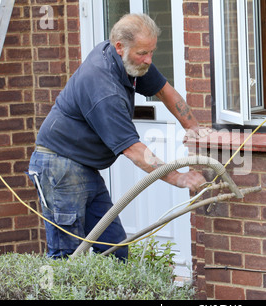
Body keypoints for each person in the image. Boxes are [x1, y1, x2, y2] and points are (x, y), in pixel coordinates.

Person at [27, 13, 211, 261]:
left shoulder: (128, 59)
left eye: (151, 52)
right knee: (66, 255)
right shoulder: (104, 89)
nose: (148, 60)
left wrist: (195, 132)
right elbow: (134, 150)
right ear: (120, 47)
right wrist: (179, 177)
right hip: (59, 167)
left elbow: (165, 91)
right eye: (142, 53)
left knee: (114, 246)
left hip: (84, 165)